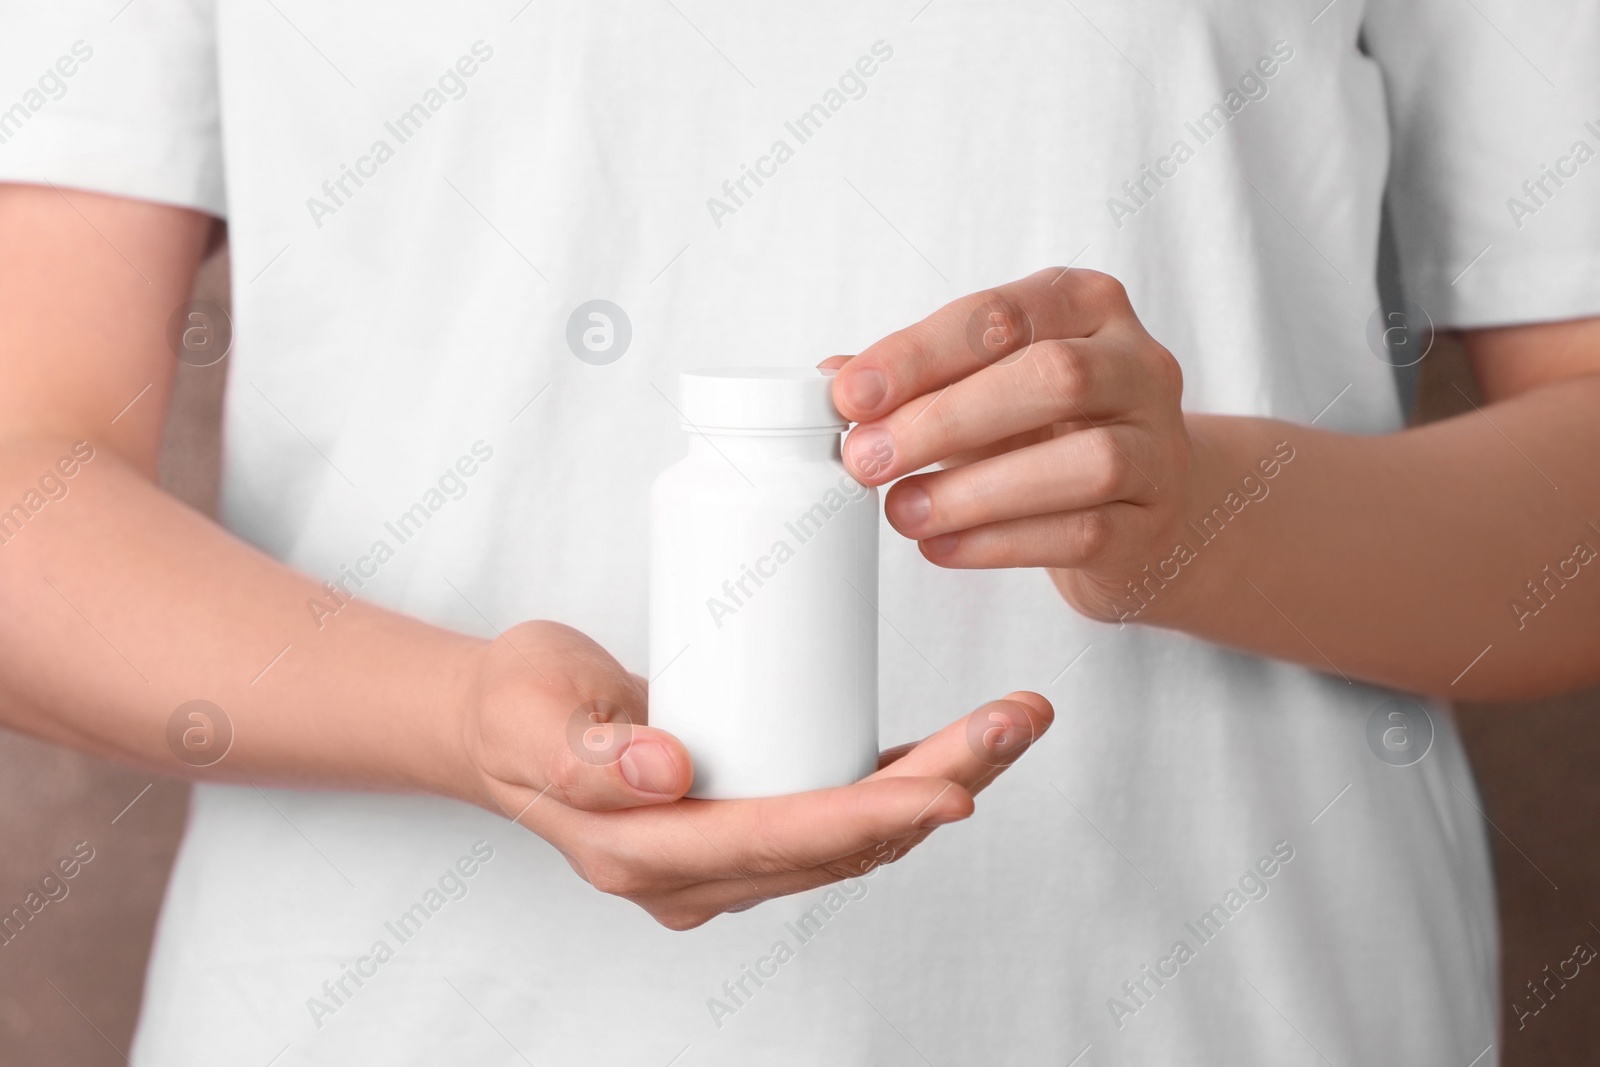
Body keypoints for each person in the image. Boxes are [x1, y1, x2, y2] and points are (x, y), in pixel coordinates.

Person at [1, 1, 1596, 1063]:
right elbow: (25, 481)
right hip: (406, 1015)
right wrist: (455, 720)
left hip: (1229, 1009)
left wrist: (1202, 521)